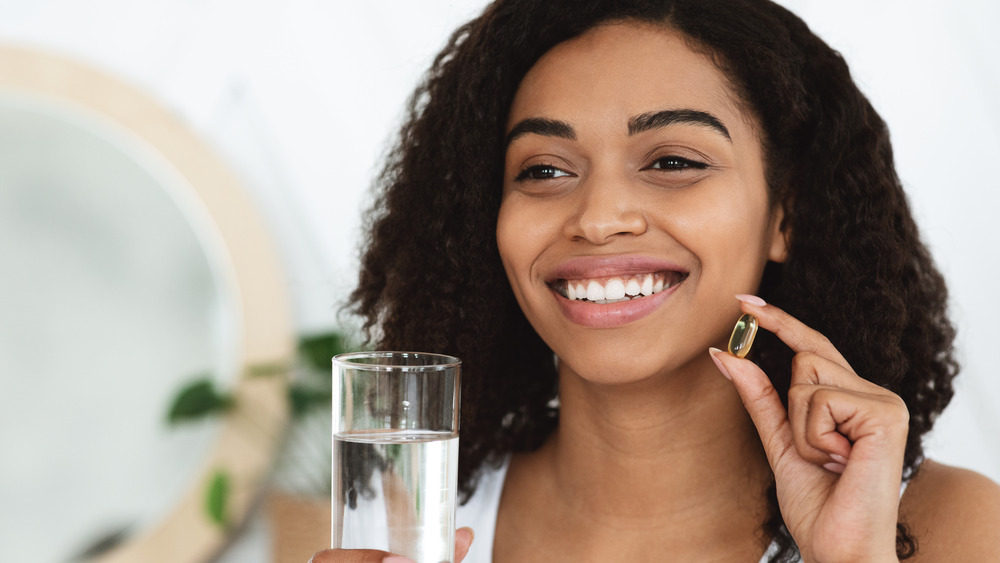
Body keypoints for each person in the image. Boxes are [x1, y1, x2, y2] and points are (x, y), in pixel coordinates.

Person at [313, 0, 1000, 561]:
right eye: (544, 169)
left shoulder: (947, 529)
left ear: (787, 213)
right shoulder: (398, 525)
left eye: (672, 161)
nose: (599, 218)